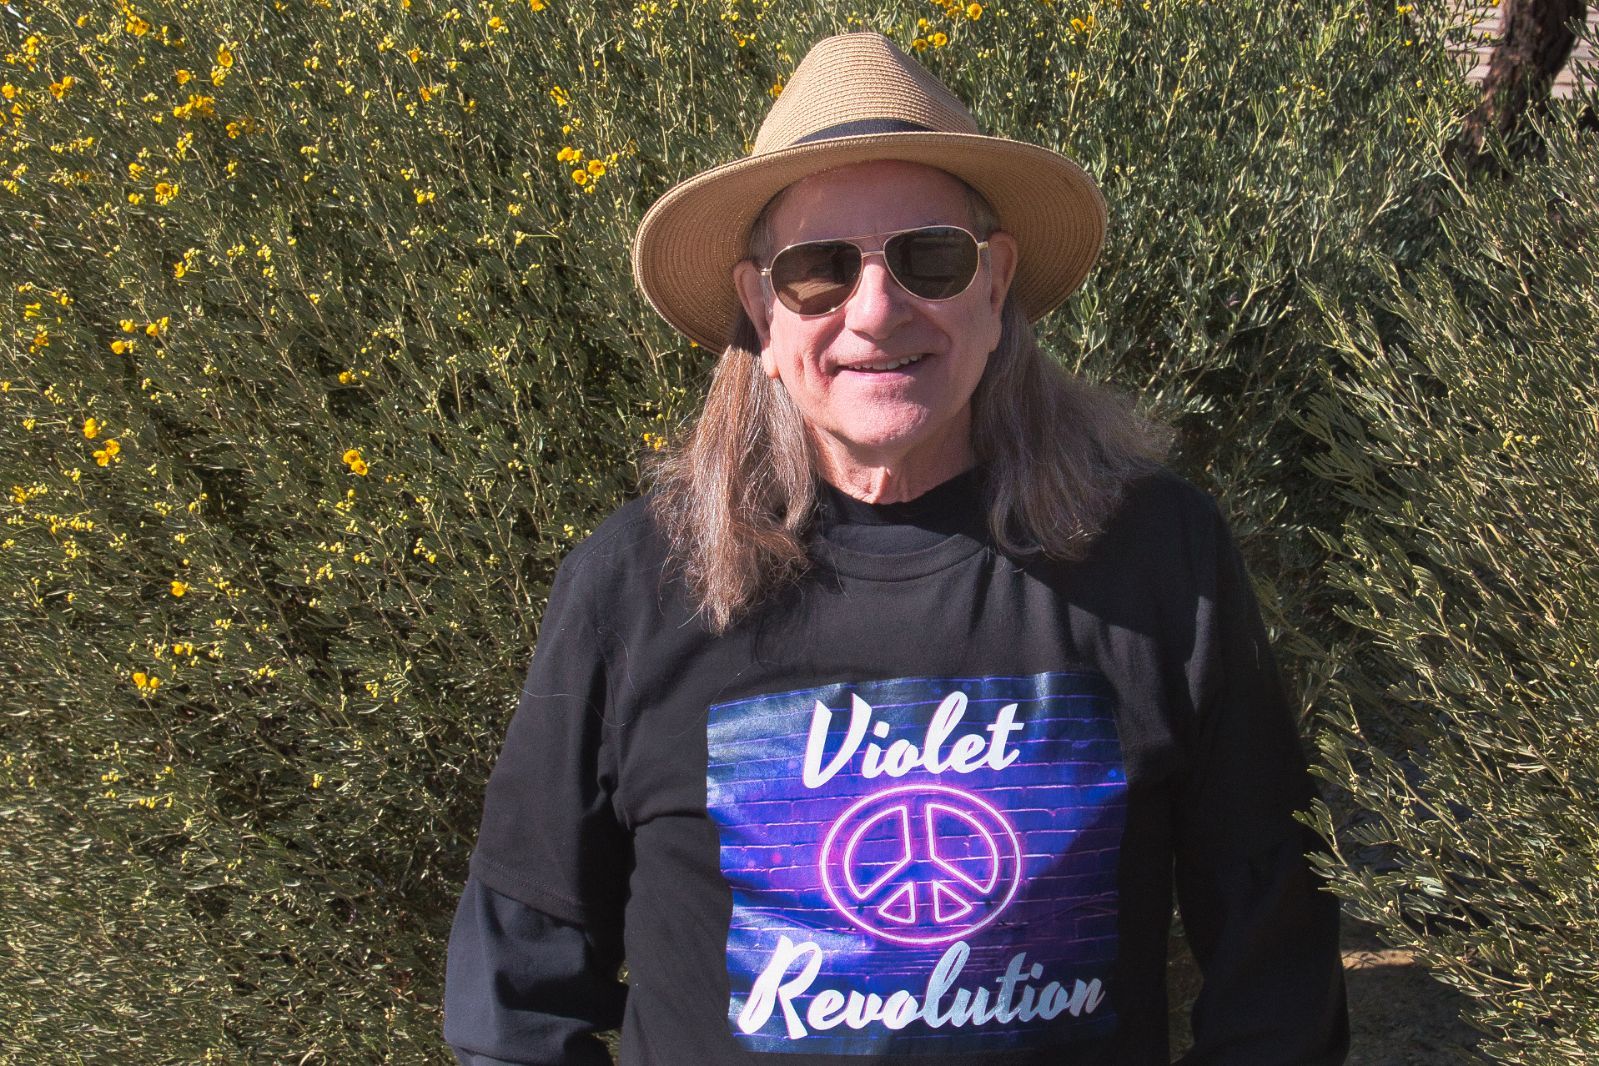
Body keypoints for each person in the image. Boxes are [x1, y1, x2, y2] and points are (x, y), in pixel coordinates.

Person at [444, 30, 1349, 1066]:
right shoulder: (635, 583)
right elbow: (517, 981)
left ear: (995, 285)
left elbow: (1274, 946)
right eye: (818, 271)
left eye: (930, 257)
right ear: (761, 310)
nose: (875, 311)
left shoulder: (1159, 559)